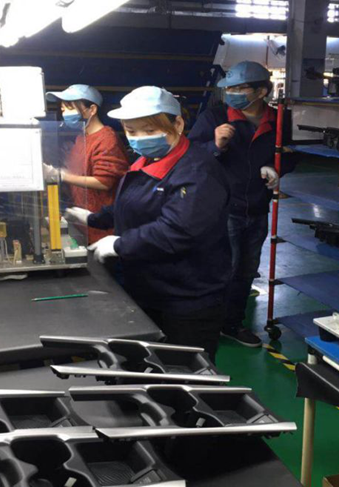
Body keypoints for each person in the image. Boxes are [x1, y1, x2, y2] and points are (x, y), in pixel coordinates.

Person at [64, 86, 231, 361]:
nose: (139, 139)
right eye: (131, 131)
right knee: (147, 364)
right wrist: (93, 217)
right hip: (150, 286)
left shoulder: (198, 172)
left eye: (150, 130)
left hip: (187, 297)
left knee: (183, 371)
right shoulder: (148, 160)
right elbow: (132, 202)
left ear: (178, 124)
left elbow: (177, 230)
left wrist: (120, 244)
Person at [189, 61, 293, 348]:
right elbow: (192, 157)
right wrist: (215, 146)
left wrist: (276, 168)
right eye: (229, 88)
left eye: (238, 88)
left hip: (257, 207)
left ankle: (231, 323)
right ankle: (206, 323)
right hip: (223, 209)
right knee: (221, 269)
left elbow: (291, 154)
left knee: (246, 270)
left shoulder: (279, 120)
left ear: (261, 91)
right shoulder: (214, 117)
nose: (231, 93)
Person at [45, 84, 130, 244]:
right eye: (63, 109)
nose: (65, 113)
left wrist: (61, 175)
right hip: (83, 223)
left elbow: (104, 182)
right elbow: (78, 173)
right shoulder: (81, 138)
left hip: (103, 228)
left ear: (92, 109)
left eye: (70, 108)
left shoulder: (107, 139)